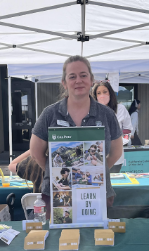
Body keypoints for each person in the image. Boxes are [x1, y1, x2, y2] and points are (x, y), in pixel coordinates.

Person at [30, 55, 123, 216]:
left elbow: (116, 152)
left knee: (97, 237)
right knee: (59, 239)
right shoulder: (50, 114)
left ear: (92, 80)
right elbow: (36, 152)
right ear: (64, 83)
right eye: (72, 76)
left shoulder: (106, 115)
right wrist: (57, 171)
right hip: (57, 193)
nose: (78, 80)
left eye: (83, 75)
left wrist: (96, 170)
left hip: (97, 192)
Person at [92, 81, 133, 173]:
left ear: (110, 93)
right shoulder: (92, 112)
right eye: (99, 93)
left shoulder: (120, 109)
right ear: (95, 96)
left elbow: (127, 131)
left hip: (116, 158)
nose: (102, 95)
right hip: (97, 157)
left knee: (113, 184)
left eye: (105, 92)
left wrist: (117, 144)